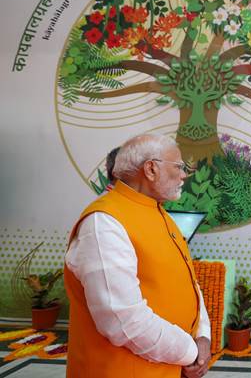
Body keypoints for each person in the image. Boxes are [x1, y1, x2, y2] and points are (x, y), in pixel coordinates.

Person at [64, 134, 211, 378]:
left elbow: (189, 284)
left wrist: (202, 336)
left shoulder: (160, 215)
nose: (184, 175)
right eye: (179, 167)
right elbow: (122, 320)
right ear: (151, 169)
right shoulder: (105, 222)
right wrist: (189, 351)